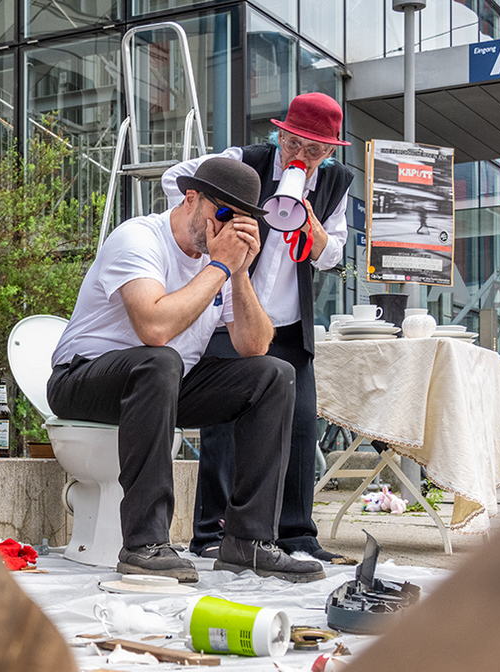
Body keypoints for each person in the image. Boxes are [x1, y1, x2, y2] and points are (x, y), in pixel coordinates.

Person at [46, 157, 325, 584]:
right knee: (160, 360)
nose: (228, 229)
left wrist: (240, 273)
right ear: (190, 199)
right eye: (224, 214)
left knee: (274, 374)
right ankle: (144, 544)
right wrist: (217, 267)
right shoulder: (139, 238)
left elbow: (254, 345)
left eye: (243, 221)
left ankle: (248, 541)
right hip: (83, 377)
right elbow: (154, 328)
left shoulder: (222, 261)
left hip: (163, 382)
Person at [161, 92, 356, 565]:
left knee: (298, 424)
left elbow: (333, 257)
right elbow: (175, 179)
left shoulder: (335, 183)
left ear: (329, 152)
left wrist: (313, 227)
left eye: (314, 151)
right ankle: (210, 532)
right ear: (280, 133)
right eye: (293, 144)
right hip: (232, 314)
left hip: (288, 324)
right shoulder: (242, 163)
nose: (300, 158)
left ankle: (295, 536)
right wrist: (215, 224)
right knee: (225, 425)